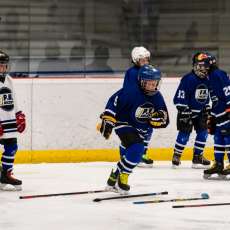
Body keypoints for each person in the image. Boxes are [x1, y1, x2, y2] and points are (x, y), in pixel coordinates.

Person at [98, 64, 169, 194]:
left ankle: (113, 178)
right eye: (150, 83)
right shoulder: (130, 92)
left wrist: (159, 119)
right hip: (123, 123)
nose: (154, 86)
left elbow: (164, 117)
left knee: (129, 156)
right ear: (142, 82)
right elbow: (113, 102)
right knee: (137, 149)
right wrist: (108, 119)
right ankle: (122, 180)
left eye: (156, 83)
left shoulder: (157, 96)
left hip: (141, 129)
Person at [172, 52, 211, 168]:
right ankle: (177, 155)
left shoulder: (208, 79)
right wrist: (183, 108)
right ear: (195, 65)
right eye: (201, 66)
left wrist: (206, 106)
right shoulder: (188, 79)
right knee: (184, 134)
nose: (204, 69)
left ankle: (197, 157)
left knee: (203, 133)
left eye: (206, 66)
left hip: (200, 112)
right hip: (186, 111)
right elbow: (179, 97)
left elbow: (205, 95)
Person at [122, 46, 154, 167]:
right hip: (134, 106)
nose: (145, 62)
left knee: (148, 129)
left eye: (147, 59)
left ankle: (142, 153)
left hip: (146, 105)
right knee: (132, 131)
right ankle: (127, 153)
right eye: (142, 60)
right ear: (135, 60)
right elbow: (129, 91)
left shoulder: (149, 70)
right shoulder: (131, 73)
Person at [0, 50, 26, 190]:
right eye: (0, 65)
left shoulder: (9, 80)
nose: (2, 68)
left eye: (4, 66)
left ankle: (6, 174)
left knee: (12, 147)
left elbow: (14, 100)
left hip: (8, 121)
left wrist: (19, 115)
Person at [203, 53, 230, 179]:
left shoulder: (219, 74)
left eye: (203, 64)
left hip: (226, 111)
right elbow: (214, 98)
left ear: (210, 64)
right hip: (218, 112)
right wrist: (212, 114)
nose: (201, 67)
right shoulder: (209, 77)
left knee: (228, 137)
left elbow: (227, 90)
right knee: (218, 138)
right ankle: (218, 164)